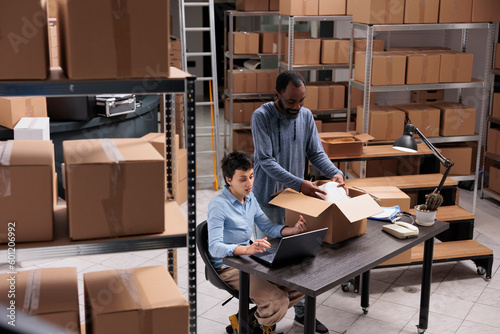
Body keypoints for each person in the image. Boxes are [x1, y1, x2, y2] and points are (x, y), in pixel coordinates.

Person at [251, 70, 345, 333]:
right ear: (277, 95)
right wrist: (301, 183)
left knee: (302, 261)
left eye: (301, 100)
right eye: (291, 101)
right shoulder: (262, 117)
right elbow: (266, 161)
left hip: (295, 201)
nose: (297, 106)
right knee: (271, 261)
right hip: (268, 200)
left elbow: (315, 152)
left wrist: (334, 172)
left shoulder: (305, 116)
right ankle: (264, 318)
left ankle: (303, 314)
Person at [207, 151, 309, 334]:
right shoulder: (218, 205)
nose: (250, 184)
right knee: (277, 301)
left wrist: (292, 230)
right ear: (229, 180)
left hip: (248, 261)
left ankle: (246, 321)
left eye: (252, 177)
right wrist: (246, 249)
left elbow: (268, 226)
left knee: (301, 286)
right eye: (243, 179)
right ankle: (256, 326)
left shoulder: (250, 198)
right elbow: (214, 248)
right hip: (227, 267)